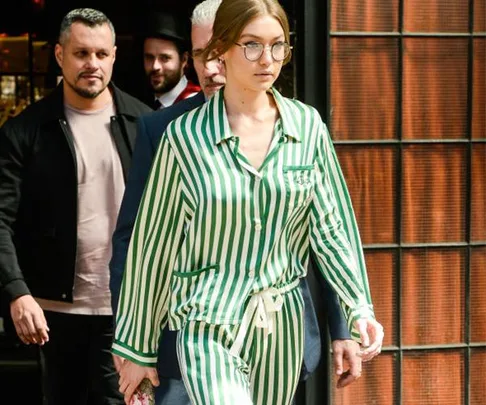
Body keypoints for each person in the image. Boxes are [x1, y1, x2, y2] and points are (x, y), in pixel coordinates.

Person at [113, 0, 384, 404]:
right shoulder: (183, 140)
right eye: (252, 45)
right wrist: (136, 348)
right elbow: (153, 248)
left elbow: (332, 228)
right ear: (221, 49)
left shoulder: (307, 128)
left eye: (278, 46)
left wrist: (358, 306)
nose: (268, 59)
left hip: (282, 327)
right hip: (206, 322)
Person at [0, 8, 151, 405]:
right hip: (52, 311)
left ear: (115, 56)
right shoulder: (24, 131)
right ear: (59, 55)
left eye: (101, 54)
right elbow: (0, 220)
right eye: (82, 53)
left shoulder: (147, 124)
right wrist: (17, 291)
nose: (92, 64)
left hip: (125, 306)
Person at [138, 10, 201, 110]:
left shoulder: (197, 105)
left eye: (165, 58)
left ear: (184, 59)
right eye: (149, 57)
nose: (155, 66)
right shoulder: (139, 104)